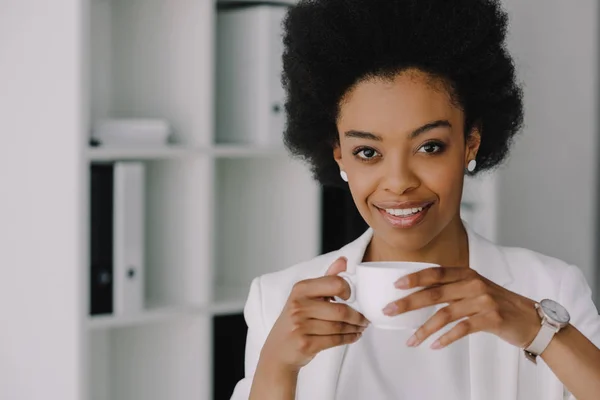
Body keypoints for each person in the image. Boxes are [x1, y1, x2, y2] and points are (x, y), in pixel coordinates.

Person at [230, 0, 600, 399]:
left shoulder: (549, 288)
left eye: (429, 147)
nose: (398, 183)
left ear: (470, 144)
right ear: (340, 156)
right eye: (368, 152)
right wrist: (276, 367)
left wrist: (540, 332)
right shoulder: (279, 300)